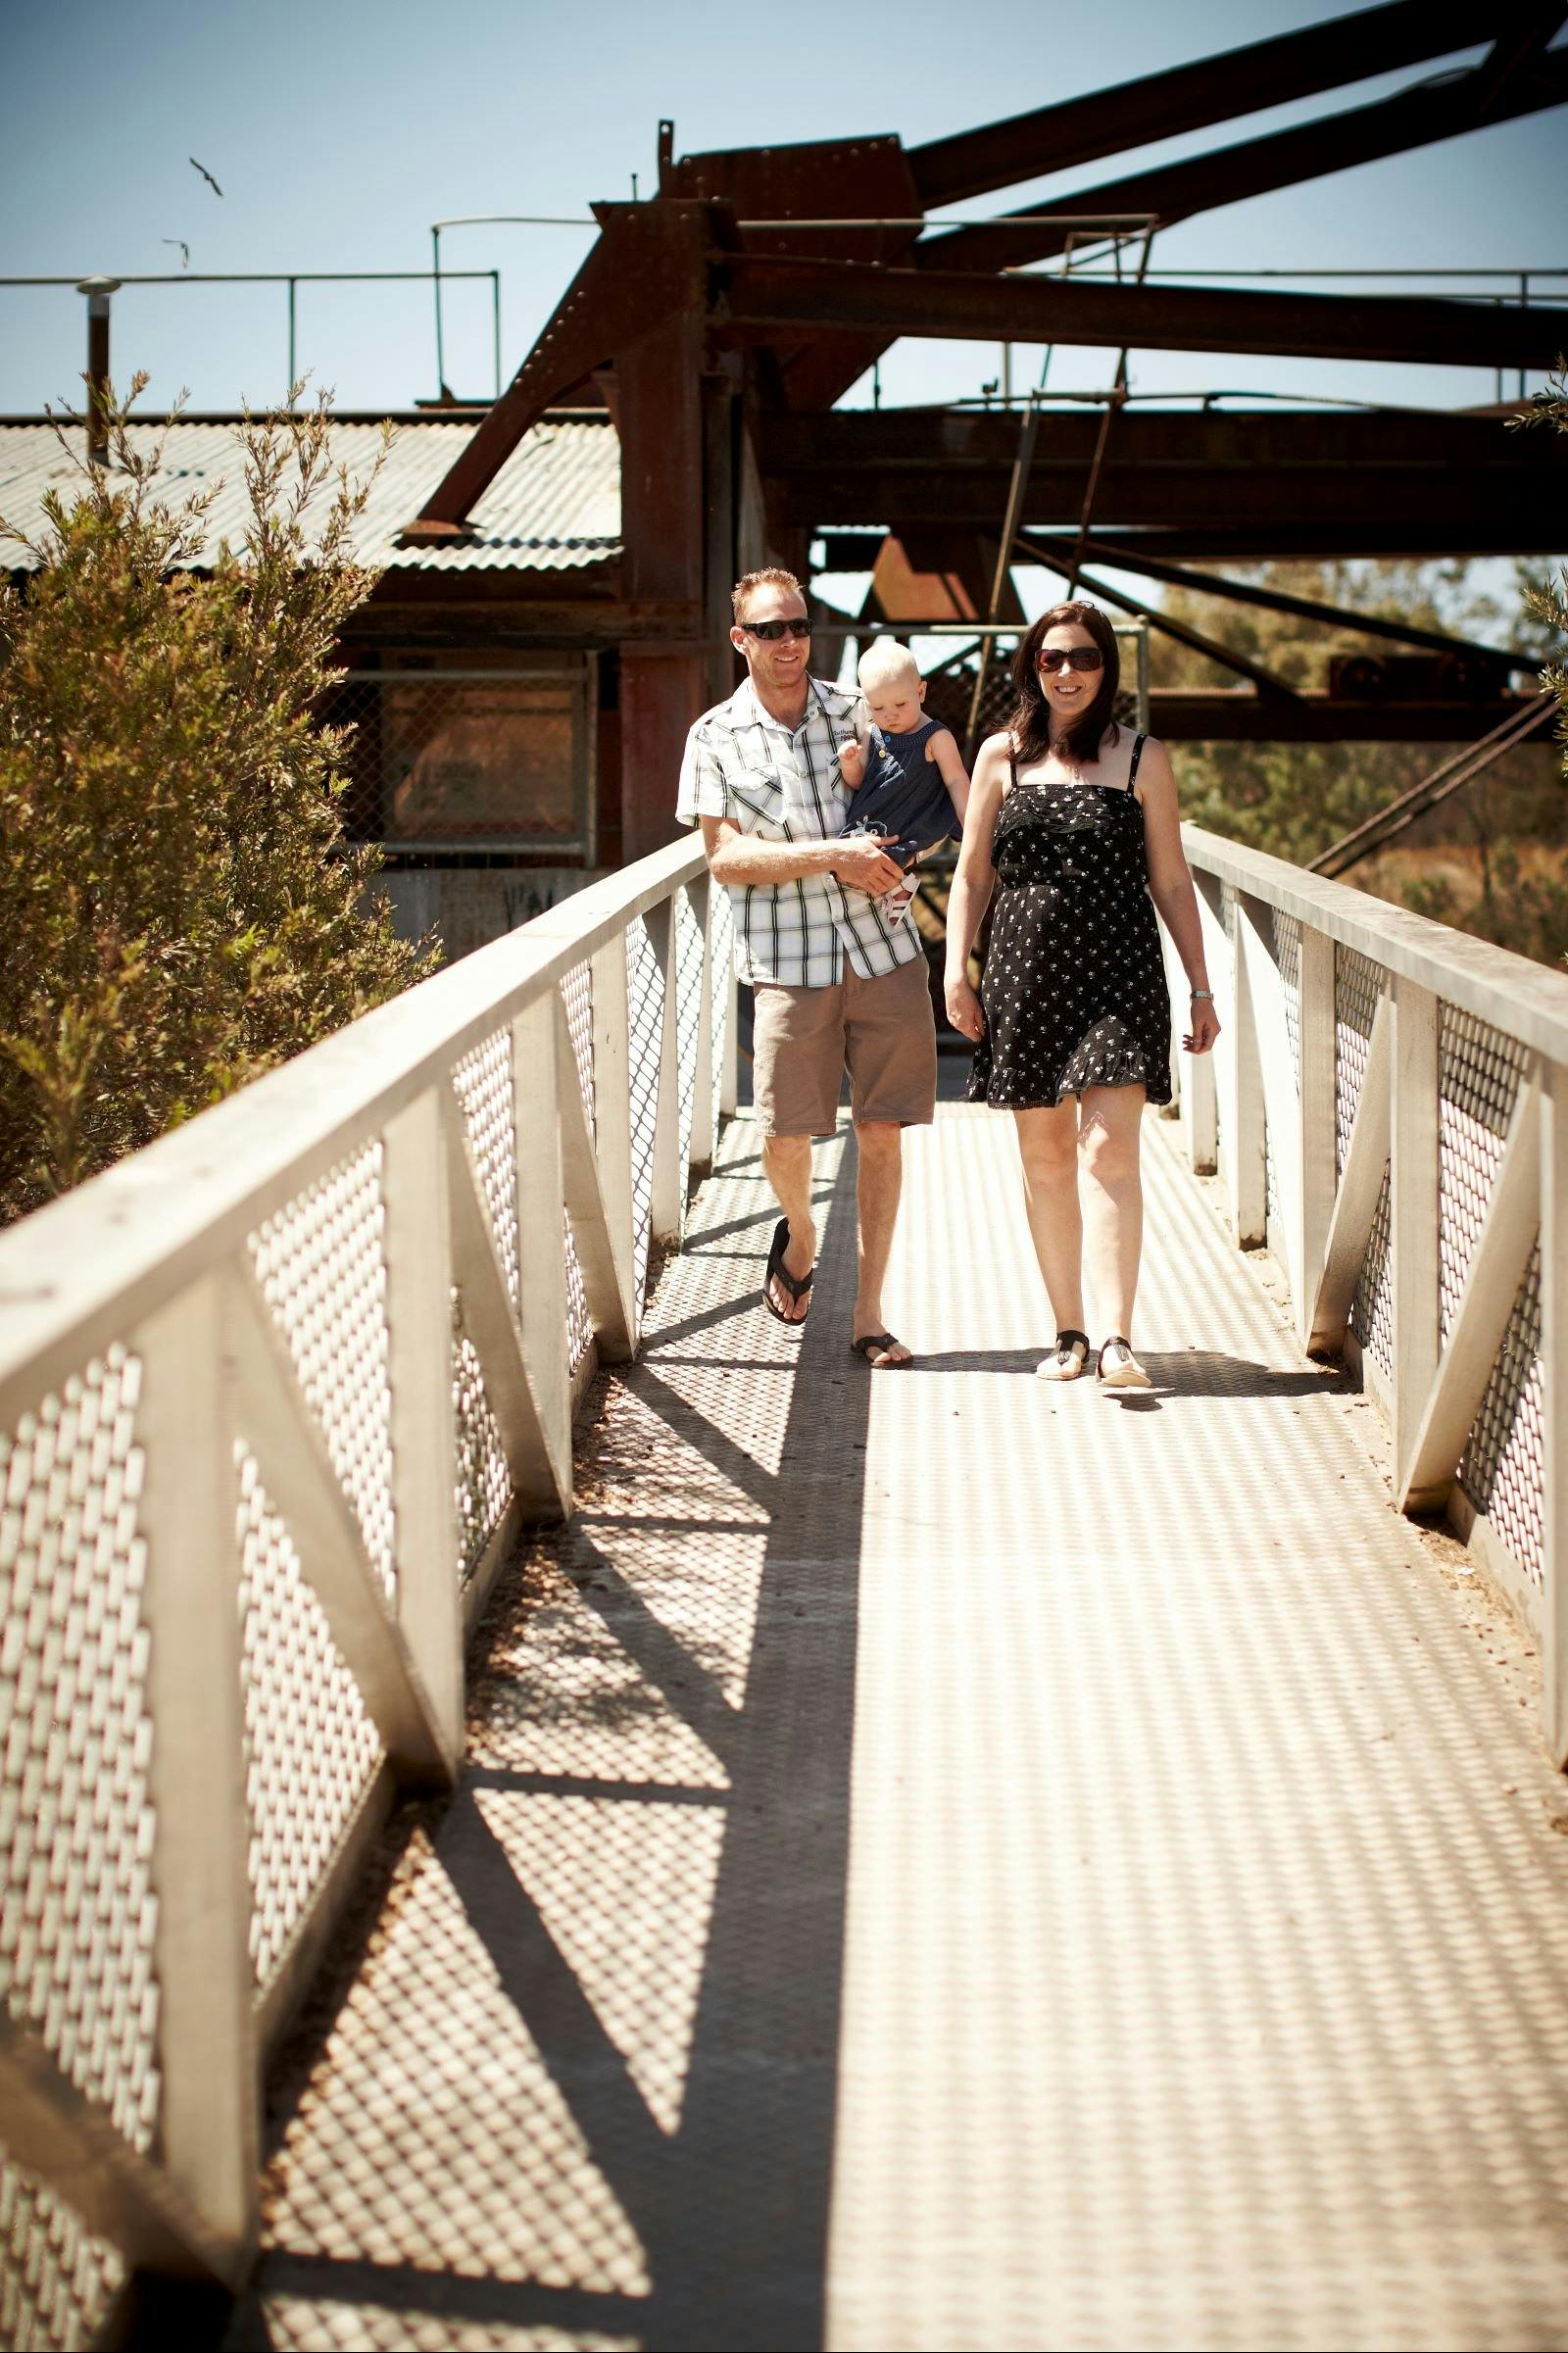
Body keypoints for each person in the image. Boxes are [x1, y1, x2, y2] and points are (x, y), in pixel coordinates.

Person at [944, 601, 1219, 1390]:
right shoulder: (1000, 756)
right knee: (1045, 1153)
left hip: (1118, 974)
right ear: (1034, 668)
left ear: (1108, 668)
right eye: (1052, 658)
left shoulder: (1143, 758)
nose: (1069, 672)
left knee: (1110, 1148)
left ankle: (1116, 1337)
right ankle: (1067, 1330)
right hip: (1025, 975)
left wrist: (1201, 985)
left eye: (1085, 658)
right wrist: (955, 967)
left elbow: (1170, 876)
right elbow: (971, 873)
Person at [677, 568, 938, 1368]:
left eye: (798, 626)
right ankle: (803, 1230)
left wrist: (906, 855)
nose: (789, 642)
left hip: (885, 948)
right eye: (770, 630)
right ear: (740, 640)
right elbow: (723, 857)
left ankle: (868, 1311)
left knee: (883, 1128)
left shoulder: (857, 708)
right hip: (790, 962)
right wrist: (835, 856)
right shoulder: (712, 737)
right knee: (786, 1134)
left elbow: (916, 796)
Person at [838, 637, 970, 922]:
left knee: (895, 854)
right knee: (855, 857)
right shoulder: (871, 734)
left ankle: (898, 885)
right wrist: (849, 764)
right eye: (878, 708)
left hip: (914, 812)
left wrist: (971, 823)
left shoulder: (935, 737)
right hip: (876, 811)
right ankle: (894, 889)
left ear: (921, 691)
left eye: (900, 703)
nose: (890, 715)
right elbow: (859, 782)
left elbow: (957, 779)